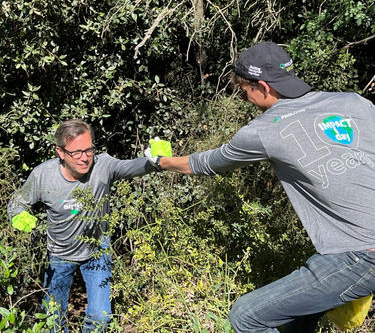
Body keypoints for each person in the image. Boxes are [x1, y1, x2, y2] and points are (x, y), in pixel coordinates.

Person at [147, 42, 375, 332]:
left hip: (361, 254)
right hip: (357, 250)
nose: (246, 99)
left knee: (246, 315)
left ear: (264, 88)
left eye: (245, 92)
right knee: (293, 319)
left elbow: (205, 163)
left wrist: (162, 162)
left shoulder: (263, 131)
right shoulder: (355, 103)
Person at [7, 119, 163, 332]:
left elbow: (130, 167)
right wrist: (19, 217)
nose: (85, 158)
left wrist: (155, 161)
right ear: (60, 152)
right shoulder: (43, 175)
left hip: (97, 250)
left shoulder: (102, 165)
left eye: (88, 150)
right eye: (76, 152)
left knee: (101, 317)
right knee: (53, 318)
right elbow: (18, 202)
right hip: (60, 253)